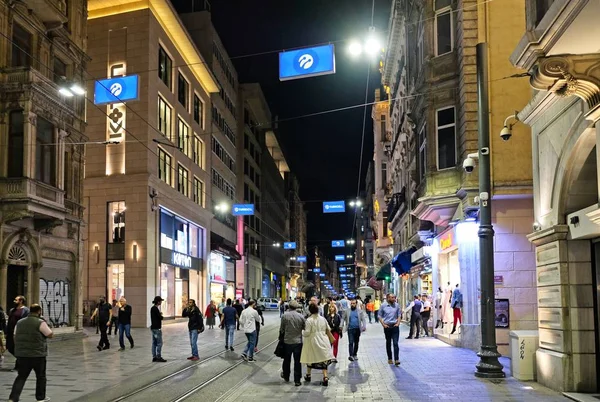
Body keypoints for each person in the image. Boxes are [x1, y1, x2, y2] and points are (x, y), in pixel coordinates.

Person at [8, 304, 53, 402]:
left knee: (21, 376)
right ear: (39, 311)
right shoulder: (40, 322)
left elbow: (15, 336)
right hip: (38, 354)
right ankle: (40, 397)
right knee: (40, 376)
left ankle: (13, 398)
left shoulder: (19, 322)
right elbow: (50, 334)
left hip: (22, 355)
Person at [300, 303, 334, 386]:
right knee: (323, 359)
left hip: (313, 340)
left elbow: (307, 333)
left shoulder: (309, 320)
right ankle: (325, 377)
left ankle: (308, 375)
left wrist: (302, 332)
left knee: (310, 358)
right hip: (323, 339)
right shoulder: (323, 319)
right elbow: (328, 328)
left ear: (310, 311)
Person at [279, 300, 305, 386]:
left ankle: (286, 376)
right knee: (297, 361)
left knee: (287, 360)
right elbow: (304, 328)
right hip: (298, 342)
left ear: (289, 307)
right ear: (297, 307)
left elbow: (282, 329)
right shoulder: (301, 317)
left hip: (287, 341)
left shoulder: (284, 316)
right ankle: (297, 380)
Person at [6, 296, 30, 370]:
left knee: (18, 348)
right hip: (10, 332)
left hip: (19, 332)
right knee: (10, 347)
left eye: (16, 300)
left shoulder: (26, 310)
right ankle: (22, 360)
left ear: (21, 301)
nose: (14, 301)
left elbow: (26, 321)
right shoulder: (12, 310)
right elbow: (9, 320)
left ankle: (19, 364)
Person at [379, 293, 402, 366]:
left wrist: (398, 323)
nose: (394, 299)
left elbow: (399, 315)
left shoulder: (397, 305)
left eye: (394, 297)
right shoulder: (383, 305)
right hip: (387, 327)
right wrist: (384, 325)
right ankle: (389, 358)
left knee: (395, 343)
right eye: (392, 297)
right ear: (388, 298)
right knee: (388, 343)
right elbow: (379, 316)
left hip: (395, 326)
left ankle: (396, 359)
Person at [150, 296, 166, 362]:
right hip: (157, 328)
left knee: (154, 342)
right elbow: (160, 317)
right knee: (159, 343)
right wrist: (161, 315)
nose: (161, 302)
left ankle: (154, 356)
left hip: (153, 328)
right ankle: (158, 356)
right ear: (158, 301)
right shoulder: (155, 308)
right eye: (160, 301)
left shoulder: (152, 308)